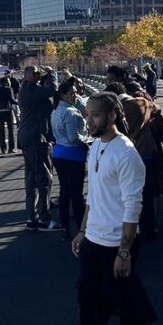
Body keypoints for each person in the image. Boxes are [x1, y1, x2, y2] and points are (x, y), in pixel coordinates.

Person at [56, 93, 156, 325]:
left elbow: (132, 206)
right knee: (87, 304)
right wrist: (82, 230)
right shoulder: (97, 146)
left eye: (95, 115)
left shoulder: (126, 154)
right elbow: (94, 195)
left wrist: (124, 251)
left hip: (117, 246)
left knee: (128, 310)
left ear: (112, 116)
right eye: (87, 114)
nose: (89, 120)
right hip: (93, 241)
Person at [126, 81, 163, 239]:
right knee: (154, 191)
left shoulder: (128, 114)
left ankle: (139, 223)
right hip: (153, 155)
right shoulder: (153, 114)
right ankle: (154, 223)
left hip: (135, 155)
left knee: (139, 192)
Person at [50, 77, 93, 238]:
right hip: (73, 155)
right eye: (72, 93)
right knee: (76, 193)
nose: (75, 96)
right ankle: (82, 228)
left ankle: (65, 228)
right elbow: (73, 137)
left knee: (64, 191)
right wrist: (87, 140)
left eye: (76, 93)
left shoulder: (55, 110)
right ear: (63, 95)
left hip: (59, 153)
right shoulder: (70, 112)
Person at [18, 65, 58, 230]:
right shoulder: (33, 90)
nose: (37, 75)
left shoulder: (26, 90)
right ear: (28, 76)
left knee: (31, 179)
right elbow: (53, 90)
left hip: (27, 138)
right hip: (36, 138)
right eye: (35, 73)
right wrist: (51, 74)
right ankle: (44, 218)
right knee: (43, 178)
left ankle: (31, 218)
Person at [0, 77, 17, 154]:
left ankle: (3, 149)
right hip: (7, 111)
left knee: (1, 131)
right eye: (8, 81)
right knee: (10, 130)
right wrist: (20, 103)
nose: (9, 83)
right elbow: (12, 100)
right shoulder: (9, 89)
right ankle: (11, 149)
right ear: (6, 82)